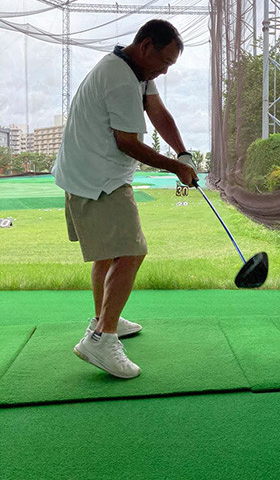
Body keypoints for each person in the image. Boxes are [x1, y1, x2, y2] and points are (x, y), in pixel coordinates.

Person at [52, 19, 198, 379]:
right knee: (132, 251)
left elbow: (158, 112)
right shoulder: (119, 78)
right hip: (97, 179)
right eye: (164, 62)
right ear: (146, 46)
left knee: (109, 252)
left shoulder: (136, 71)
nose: (165, 71)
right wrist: (175, 168)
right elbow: (127, 143)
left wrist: (183, 153)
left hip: (90, 174)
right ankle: (102, 339)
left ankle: (104, 320)